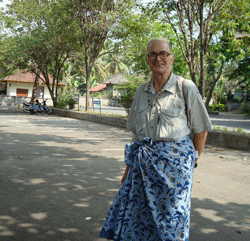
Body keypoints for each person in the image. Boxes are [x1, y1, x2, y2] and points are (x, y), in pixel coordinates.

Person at [100, 38, 212, 241]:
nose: (158, 58)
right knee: (138, 219)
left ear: (171, 58)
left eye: (163, 54)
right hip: (141, 167)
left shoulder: (186, 88)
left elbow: (201, 130)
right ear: (147, 59)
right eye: (152, 54)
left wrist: (191, 161)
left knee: (172, 221)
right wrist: (127, 169)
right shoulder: (141, 91)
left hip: (175, 173)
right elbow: (136, 135)